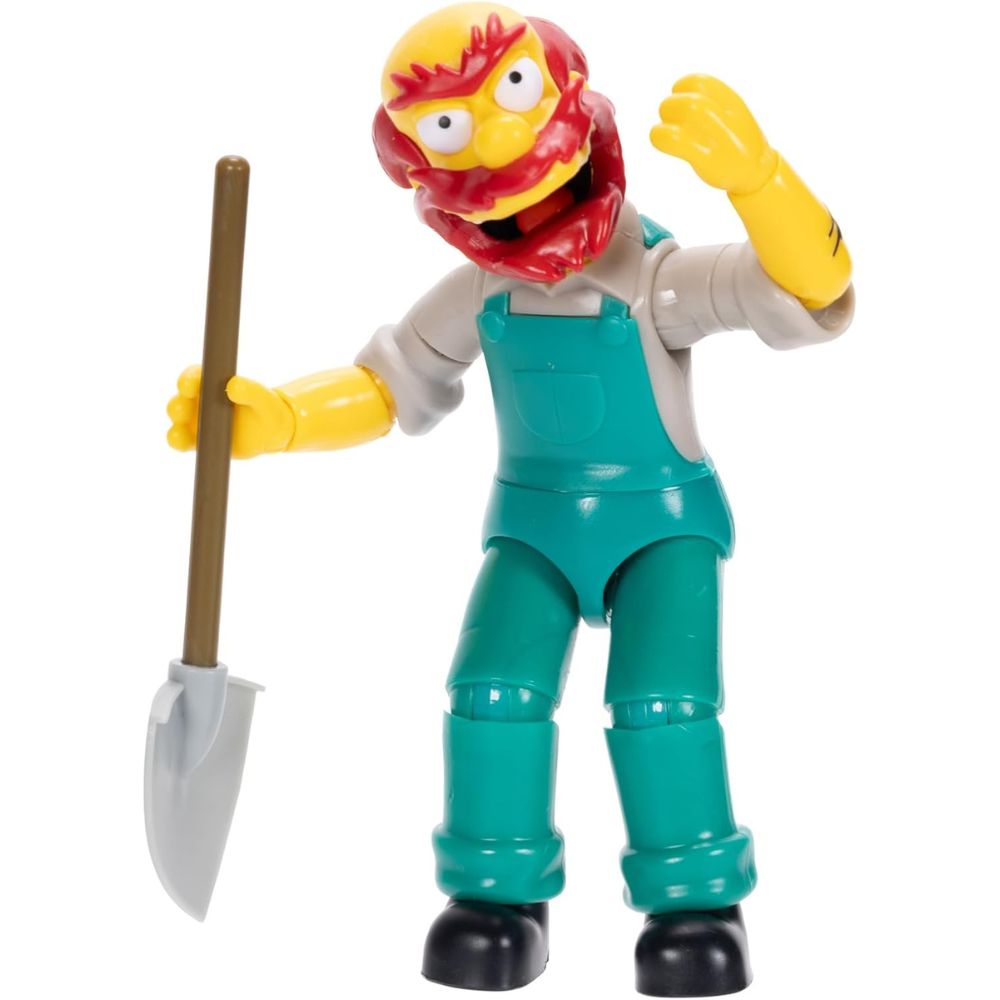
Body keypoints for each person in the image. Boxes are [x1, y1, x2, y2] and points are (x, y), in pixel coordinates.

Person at [167, 5, 854, 995]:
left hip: (661, 527)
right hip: (532, 528)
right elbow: (388, 382)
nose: (500, 154)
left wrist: (761, 182)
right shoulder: (480, 293)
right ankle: (495, 898)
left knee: (661, 702)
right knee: (490, 694)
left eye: (515, 104)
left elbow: (809, 289)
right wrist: (277, 418)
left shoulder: (659, 281)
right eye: (456, 132)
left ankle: (696, 902)